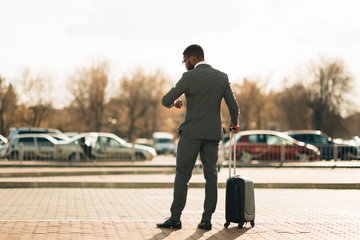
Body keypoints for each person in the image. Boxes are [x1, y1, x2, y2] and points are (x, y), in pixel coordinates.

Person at [157, 44, 239, 230]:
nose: (184, 64)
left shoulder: (189, 76)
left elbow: (166, 100)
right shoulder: (222, 77)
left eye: (184, 60)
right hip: (212, 135)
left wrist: (176, 103)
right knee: (211, 176)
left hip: (191, 134)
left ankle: (175, 218)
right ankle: (207, 220)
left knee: (183, 175)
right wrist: (234, 124)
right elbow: (234, 107)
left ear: (192, 58)